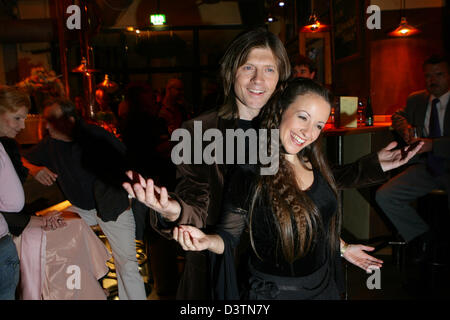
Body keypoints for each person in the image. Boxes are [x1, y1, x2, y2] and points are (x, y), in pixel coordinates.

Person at [123, 28, 420, 299]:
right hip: (225, 264)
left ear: (281, 76)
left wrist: (373, 165)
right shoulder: (198, 132)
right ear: (231, 72)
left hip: (286, 267)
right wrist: (171, 209)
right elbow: (198, 204)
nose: (258, 80)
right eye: (248, 67)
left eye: (269, 69)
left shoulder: (289, 125)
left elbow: (310, 185)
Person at [172, 78, 423, 299]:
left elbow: (315, 218)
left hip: (323, 286)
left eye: (318, 125)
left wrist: (343, 248)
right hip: (276, 292)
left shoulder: (311, 161)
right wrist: (207, 240)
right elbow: (228, 236)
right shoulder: (251, 170)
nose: (309, 132)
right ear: (281, 109)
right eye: (303, 117)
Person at [22, 98, 147, 300]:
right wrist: (35, 170)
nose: (46, 125)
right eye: (46, 120)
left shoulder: (96, 136)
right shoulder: (50, 144)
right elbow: (21, 158)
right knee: (51, 230)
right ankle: (89, 290)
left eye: (51, 120)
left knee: (127, 264)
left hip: (112, 208)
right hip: (81, 208)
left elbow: (130, 164)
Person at [376, 54, 450, 262]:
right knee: (385, 196)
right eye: (428, 76)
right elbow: (398, 116)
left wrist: (434, 145)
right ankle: (423, 239)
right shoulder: (417, 99)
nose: (432, 80)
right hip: (425, 167)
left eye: (439, 75)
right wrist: (405, 128)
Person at [0, 86, 66, 300]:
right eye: (17, 118)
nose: (22, 126)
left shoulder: (6, 143)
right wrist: (40, 221)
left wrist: (32, 170)